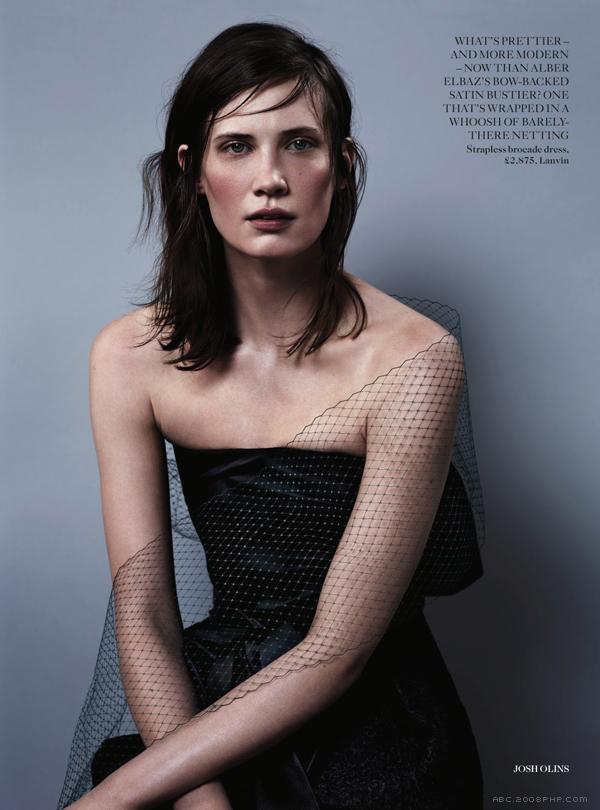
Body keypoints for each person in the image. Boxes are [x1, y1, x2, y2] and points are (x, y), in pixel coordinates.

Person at [58, 21, 486, 810]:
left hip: (373, 733)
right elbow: (144, 612)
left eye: (299, 144)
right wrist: (199, 799)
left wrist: (114, 798)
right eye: (236, 146)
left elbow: (336, 652)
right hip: (204, 704)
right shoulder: (129, 356)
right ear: (191, 170)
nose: (271, 180)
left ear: (342, 168)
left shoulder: (414, 360)